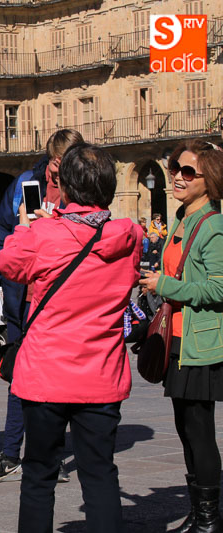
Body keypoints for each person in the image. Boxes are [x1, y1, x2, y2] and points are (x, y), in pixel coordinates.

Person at [0, 144, 141, 533]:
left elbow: (9, 264)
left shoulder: (43, 234)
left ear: (65, 186)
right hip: (101, 375)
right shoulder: (129, 236)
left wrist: (26, 226)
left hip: (46, 374)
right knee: (99, 472)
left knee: (39, 473)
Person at [0, 128, 84, 485]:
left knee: (58, 379)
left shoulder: (80, 190)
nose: (58, 171)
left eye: (65, 164)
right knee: (17, 376)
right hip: (22, 298)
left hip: (59, 300)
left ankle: (52, 455)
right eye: (55, 162)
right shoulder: (26, 183)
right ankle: (10, 454)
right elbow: (1, 231)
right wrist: (4, 272)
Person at [140, 139, 223, 533]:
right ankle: (198, 513)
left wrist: (166, 285)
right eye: (175, 168)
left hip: (199, 342)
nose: (177, 176)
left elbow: (219, 288)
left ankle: (209, 519)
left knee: (198, 429)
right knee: (185, 429)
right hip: (177, 339)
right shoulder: (182, 219)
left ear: (210, 179)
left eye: (188, 171)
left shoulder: (213, 226)